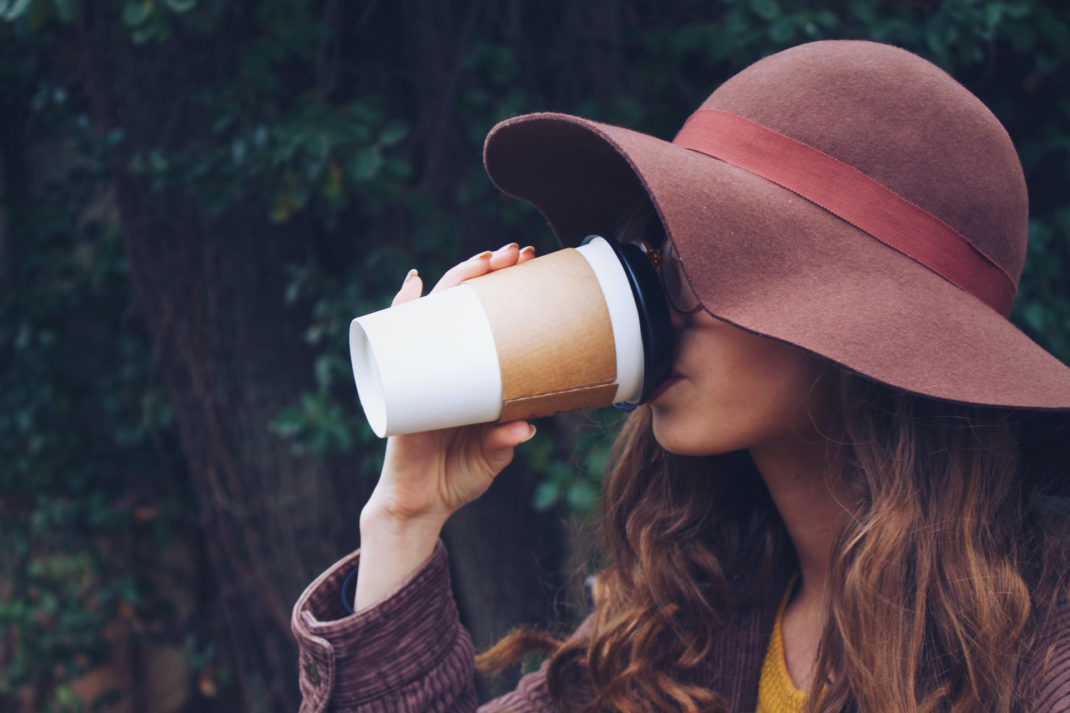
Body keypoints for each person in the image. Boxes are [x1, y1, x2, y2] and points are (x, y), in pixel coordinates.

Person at [292, 40, 1070, 713]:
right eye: (648, 257)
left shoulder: (1037, 657)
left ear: (860, 323)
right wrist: (403, 516)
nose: (653, 307)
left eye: (699, 265)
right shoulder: (678, 625)